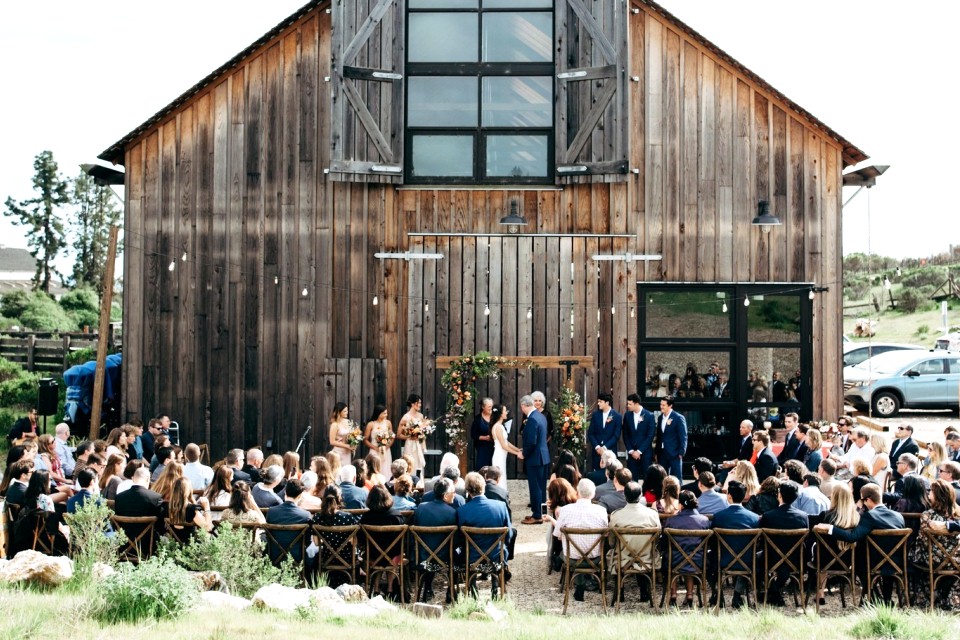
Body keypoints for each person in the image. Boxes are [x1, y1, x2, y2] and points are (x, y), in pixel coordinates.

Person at [546, 478, 608, 602]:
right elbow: (606, 535)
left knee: (569, 553)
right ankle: (584, 582)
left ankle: (579, 584)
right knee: (583, 550)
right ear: (593, 494)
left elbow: (558, 535)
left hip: (571, 558)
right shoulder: (601, 511)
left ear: (578, 492)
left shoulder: (565, 510)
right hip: (595, 558)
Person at [909, 480, 960, 609]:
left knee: (913, 557)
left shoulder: (927, 515)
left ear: (937, 495)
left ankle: (923, 597)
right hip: (956, 560)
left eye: (930, 491)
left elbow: (923, 541)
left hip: (934, 561)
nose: (928, 494)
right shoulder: (958, 514)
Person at [607, 480, 660, 604]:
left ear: (624, 496)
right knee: (644, 550)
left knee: (613, 552)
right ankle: (644, 591)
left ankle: (619, 591)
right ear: (641, 495)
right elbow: (656, 538)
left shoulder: (616, 515)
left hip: (623, 558)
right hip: (647, 558)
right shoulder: (652, 515)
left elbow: (611, 541)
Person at [711, 480, 761, 608]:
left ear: (729, 496)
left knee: (707, 558)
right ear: (744, 496)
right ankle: (737, 595)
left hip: (722, 560)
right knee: (753, 555)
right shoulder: (754, 518)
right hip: (747, 561)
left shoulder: (718, 517)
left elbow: (713, 541)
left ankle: (718, 594)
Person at [758, 481, 809, 606]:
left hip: (771, 559)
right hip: (796, 560)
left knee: (755, 557)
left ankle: (766, 591)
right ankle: (774, 590)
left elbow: (762, 541)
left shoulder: (768, 516)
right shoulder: (803, 517)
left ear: (779, 495)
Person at [811, 484, 860, 604]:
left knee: (819, 550)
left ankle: (820, 593)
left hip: (824, 560)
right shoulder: (856, 518)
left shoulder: (825, 516)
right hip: (848, 560)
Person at [411, 476, 458, 602]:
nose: (455, 495)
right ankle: (451, 591)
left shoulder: (421, 508)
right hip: (445, 558)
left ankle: (426, 588)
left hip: (422, 556)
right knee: (458, 552)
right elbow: (456, 540)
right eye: (453, 492)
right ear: (446, 495)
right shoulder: (452, 513)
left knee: (430, 547)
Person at [359, 485, 407, 599]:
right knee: (393, 553)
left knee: (378, 556)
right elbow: (403, 539)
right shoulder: (396, 516)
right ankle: (390, 589)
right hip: (393, 556)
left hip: (373, 556)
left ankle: (375, 589)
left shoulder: (366, 517)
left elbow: (361, 539)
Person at [664, 490, 710, 607]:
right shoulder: (704, 521)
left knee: (672, 557)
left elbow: (665, 542)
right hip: (698, 560)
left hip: (675, 560)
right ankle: (689, 594)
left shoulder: (671, 521)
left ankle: (673, 593)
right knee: (689, 558)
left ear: (681, 505)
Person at [312, 484, 361, 588]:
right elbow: (354, 542)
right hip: (346, 558)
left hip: (326, 557)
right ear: (339, 498)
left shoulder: (317, 517)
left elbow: (316, 543)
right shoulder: (348, 517)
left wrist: (329, 543)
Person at [265, 478, 311, 564]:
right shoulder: (305, 515)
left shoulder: (271, 511)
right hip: (296, 557)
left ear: (285, 492)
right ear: (300, 496)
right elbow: (308, 541)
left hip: (274, 556)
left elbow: (268, 536)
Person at [520, 394, 547, 525]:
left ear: (524, 406)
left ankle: (537, 515)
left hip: (535, 457)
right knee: (541, 486)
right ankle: (542, 511)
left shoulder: (532, 419)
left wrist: (524, 453)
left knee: (535, 487)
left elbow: (531, 442)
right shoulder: (541, 416)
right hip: (543, 456)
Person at [166, 477, 213, 542]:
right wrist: (207, 507)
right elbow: (208, 527)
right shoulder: (191, 509)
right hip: (190, 547)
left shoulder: (167, 507)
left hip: (172, 545)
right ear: (189, 490)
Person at [623, 393, 656, 480]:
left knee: (647, 478)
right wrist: (631, 450)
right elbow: (625, 434)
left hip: (645, 453)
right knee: (632, 479)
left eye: (630, 404)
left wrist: (639, 451)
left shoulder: (649, 415)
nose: (628, 406)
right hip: (631, 453)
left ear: (636, 403)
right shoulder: (627, 415)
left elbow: (650, 436)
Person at [587, 393, 622, 472]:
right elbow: (591, 433)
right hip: (597, 452)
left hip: (610, 451)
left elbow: (616, 436)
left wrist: (604, 448)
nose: (598, 403)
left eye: (600, 401)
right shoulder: (596, 415)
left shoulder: (617, 416)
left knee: (610, 473)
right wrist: (597, 447)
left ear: (607, 403)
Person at [654, 396, 687, 480]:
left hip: (675, 453)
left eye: (663, 405)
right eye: (661, 404)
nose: (661, 407)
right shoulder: (660, 418)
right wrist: (657, 452)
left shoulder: (678, 418)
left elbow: (683, 436)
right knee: (662, 478)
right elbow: (659, 436)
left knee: (676, 478)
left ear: (670, 405)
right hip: (662, 453)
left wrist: (681, 452)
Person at [490, 404, 521, 486]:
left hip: (502, 456)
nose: (506, 413)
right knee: (500, 478)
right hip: (499, 456)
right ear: (500, 414)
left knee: (502, 476)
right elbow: (504, 446)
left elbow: (506, 442)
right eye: (505, 411)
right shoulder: (497, 427)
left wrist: (518, 450)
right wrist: (517, 454)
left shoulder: (501, 426)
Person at [397, 394, 427, 476]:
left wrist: (422, 433)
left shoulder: (421, 416)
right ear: (413, 404)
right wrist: (409, 436)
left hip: (419, 444)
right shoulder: (405, 417)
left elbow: (424, 430)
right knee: (409, 464)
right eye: (419, 403)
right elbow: (398, 435)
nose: (420, 405)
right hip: (410, 445)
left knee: (419, 465)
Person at [364, 405, 394, 472]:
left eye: (386, 413)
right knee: (374, 468)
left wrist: (387, 447)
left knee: (386, 468)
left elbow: (392, 437)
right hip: (374, 449)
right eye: (384, 413)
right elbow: (365, 440)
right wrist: (375, 448)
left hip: (386, 450)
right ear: (379, 413)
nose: (386, 415)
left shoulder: (388, 423)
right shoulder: (371, 424)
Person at [328, 402, 356, 468]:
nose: (347, 412)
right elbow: (332, 441)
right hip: (339, 452)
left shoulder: (348, 422)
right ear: (339, 412)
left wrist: (354, 443)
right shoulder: (335, 424)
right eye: (345, 411)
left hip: (347, 452)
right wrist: (346, 446)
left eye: (347, 410)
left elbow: (353, 435)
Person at [470, 398, 496, 470]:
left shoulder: (495, 417)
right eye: (489, 407)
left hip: (495, 447)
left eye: (492, 406)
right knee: (482, 468)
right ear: (483, 407)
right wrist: (485, 438)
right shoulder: (478, 419)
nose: (491, 408)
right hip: (483, 448)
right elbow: (473, 434)